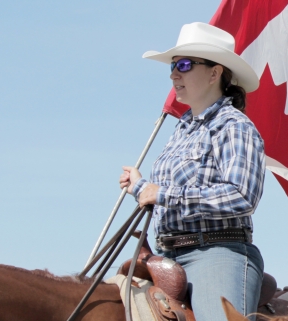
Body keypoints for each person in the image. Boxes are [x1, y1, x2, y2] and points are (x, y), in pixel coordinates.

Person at [119, 22, 266, 320]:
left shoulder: (234, 125)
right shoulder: (181, 129)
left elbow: (241, 195)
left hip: (215, 255)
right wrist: (141, 188)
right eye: (173, 66)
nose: (174, 73)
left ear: (215, 73)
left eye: (184, 65)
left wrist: (163, 193)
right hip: (165, 254)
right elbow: (164, 195)